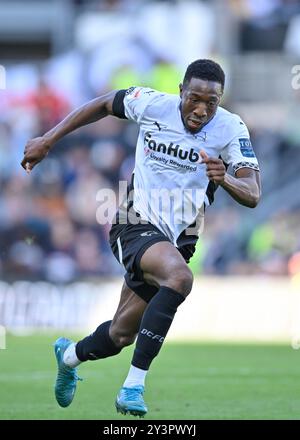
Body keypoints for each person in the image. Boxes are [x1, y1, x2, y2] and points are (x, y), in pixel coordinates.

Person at [21, 59, 261, 417]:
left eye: (211, 102)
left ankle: (69, 356)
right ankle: (133, 386)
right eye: (194, 98)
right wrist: (48, 139)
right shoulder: (151, 104)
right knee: (179, 278)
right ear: (181, 90)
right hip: (135, 222)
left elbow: (253, 193)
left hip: (179, 240)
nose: (201, 109)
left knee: (120, 335)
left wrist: (224, 177)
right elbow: (103, 103)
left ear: (220, 100)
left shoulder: (231, 128)